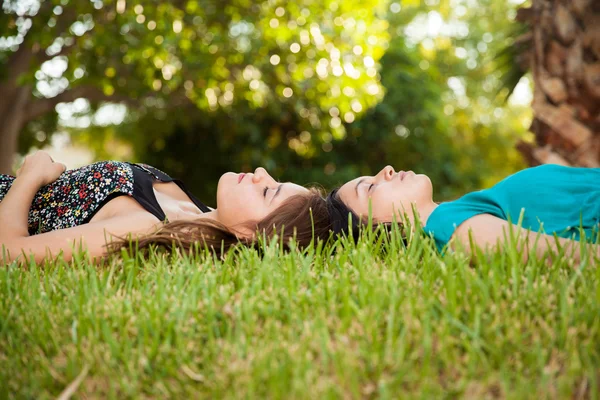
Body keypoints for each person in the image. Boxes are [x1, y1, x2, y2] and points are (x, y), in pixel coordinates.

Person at [0, 151, 331, 264]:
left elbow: (9, 251)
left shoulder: (146, 229)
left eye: (268, 192)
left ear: (250, 236)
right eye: (275, 180)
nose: (262, 174)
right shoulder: (193, 206)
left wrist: (29, 175)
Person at [326, 165, 600, 265]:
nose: (385, 170)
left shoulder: (452, 214)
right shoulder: (446, 226)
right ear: (372, 232)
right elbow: (567, 256)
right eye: (370, 187)